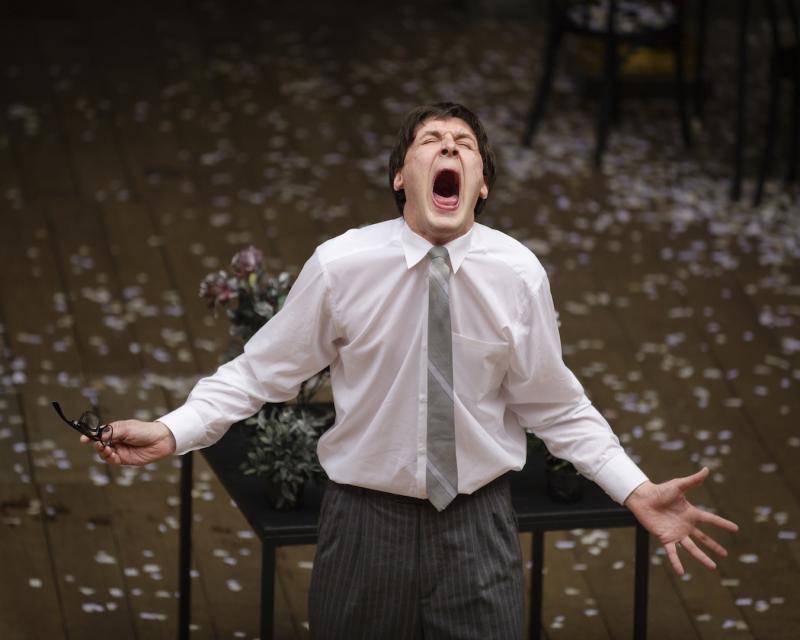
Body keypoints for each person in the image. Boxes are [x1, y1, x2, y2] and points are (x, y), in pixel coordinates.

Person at [82, 102, 738, 639]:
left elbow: (554, 404)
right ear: (402, 176)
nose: (449, 147)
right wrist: (172, 430)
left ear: (481, 185)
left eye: (464, 144)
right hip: (364, 528)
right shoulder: (341, 266)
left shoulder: (518, 274)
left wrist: (635, 488)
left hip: (477, 528)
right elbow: (259, 373)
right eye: (431, 141)